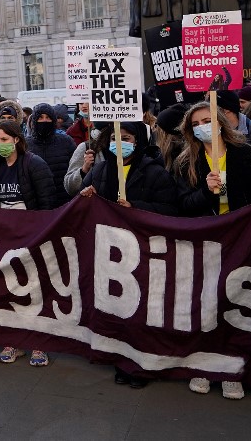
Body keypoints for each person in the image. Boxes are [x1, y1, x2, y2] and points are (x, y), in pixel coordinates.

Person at [172, 103, 251, 401]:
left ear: (219, 122)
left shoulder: (244, 152)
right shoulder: (185, 162)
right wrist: (205, 191)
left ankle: (232, 369)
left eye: (208, 119)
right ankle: (203, 363)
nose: (203, 125)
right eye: (197, 123)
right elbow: (183, 206)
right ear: (190, 130)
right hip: (205, 241)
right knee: (204, 304)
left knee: (237, 303)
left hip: (242, 241)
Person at [79, 121, 176, 389]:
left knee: (141, 308)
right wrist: (86, 195)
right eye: (115, 136)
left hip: (143, 253)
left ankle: (140, 363)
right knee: (116, 307)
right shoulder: (101, 169)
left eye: (127, 137)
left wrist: (136, 207)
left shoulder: (155, 172)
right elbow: (79, 198)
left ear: (139, 141)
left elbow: (171, 210)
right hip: (110, 253)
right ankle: (119, 357)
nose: (120, 142)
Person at [0, 119, 54, 366]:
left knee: (36, 290)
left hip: (33, 236)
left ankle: (40, 343)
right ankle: (13, 340)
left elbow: (47, 203)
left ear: (16, 139)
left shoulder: (34, 165)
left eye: (4, 139)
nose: (0, 144)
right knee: (10, 289)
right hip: (5, 236)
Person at [26, 104, 75, 208]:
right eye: (40, 117)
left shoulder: (66, 142)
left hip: (64, 203)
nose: (44, 121)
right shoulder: (25, 144)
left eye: (48, 117)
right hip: (36, 204)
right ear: (34, 120)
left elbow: (74, 170)